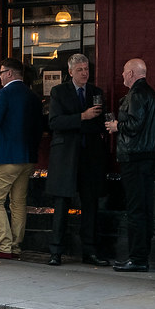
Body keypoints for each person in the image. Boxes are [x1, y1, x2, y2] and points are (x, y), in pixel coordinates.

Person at [46, 53, 108, 267]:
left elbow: (100, 124)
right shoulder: (59, 91)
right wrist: (82, 117)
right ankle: (56, 251)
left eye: (87, 69)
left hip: (89, 156)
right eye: (80, 70)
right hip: (65, 157)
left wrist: (86, 121)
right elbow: (54, 122)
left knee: (90, 204)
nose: (84, 73)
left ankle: (89, 251)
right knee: (62, 203)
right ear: (70, 71)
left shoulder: (96, 93)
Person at [0, 57, 42, 259]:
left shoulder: (3, 94)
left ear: (9, 73)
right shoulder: (33, 97)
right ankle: (15, 245)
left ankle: (4, 245)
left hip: (6, 156)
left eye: (0, 72)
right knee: (18, 202)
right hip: (28, 157)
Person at [105, 57, 155, 273]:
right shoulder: (152, 94)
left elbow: (134, 124)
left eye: (123, 72)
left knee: (136, 209)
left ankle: (137, 258)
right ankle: (141, 255)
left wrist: (116, 124)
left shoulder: (136, 94)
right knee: (145, 207)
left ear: (131, 73)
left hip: (134, 157)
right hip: (148, 157)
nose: (121, 76)